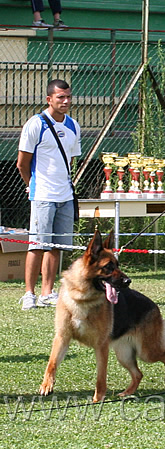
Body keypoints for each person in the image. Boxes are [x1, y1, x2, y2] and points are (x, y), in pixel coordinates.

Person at [16, 79, 81, 311]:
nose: (65, 101)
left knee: (56, 246)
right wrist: (31, 185)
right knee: (37, 244)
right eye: (60, 97)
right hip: (42, 194)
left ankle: (47, 292)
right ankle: (29, 294)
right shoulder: (36, 124)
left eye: (68, 97)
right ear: (49, 99)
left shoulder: (74, 125)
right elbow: (22, 163)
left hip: (65, 194)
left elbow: (71, 159)